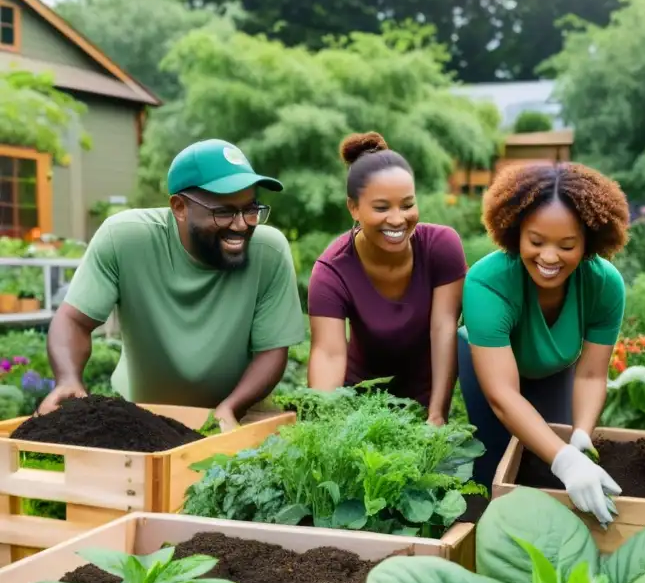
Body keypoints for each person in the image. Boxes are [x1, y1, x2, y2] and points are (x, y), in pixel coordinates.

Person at [39, 139, 306, 430]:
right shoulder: (126, 239)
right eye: (225, 212)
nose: (241, 224)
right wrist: (67, 379)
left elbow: (272, 351)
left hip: (240, 412)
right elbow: (74, 321)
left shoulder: (270, 252)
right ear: (179, 207)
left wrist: (230, 408)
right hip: (141, 416)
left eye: (250, 209)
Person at [459, 161, 630, 525]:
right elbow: (503, 396)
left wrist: (581, 433)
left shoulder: (604, 285)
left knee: (549, 467)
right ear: (516, 232)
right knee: (495, 469)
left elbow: (590, 375)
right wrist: (565, 460)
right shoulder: (488, 283)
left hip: (554, 371)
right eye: (536, 242)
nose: (549, 257)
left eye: (567, 245)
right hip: (491, 376)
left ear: (587, 242)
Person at [306, 132, 465, 423]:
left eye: (407, 205)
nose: (397, 219)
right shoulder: (332, 270)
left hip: (424, 404)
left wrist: (437, 413)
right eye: (381, 208)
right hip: (359, 407)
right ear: (353, 208)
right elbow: (328, 354)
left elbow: (444, 329)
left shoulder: (441, 247)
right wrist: (326, 422)